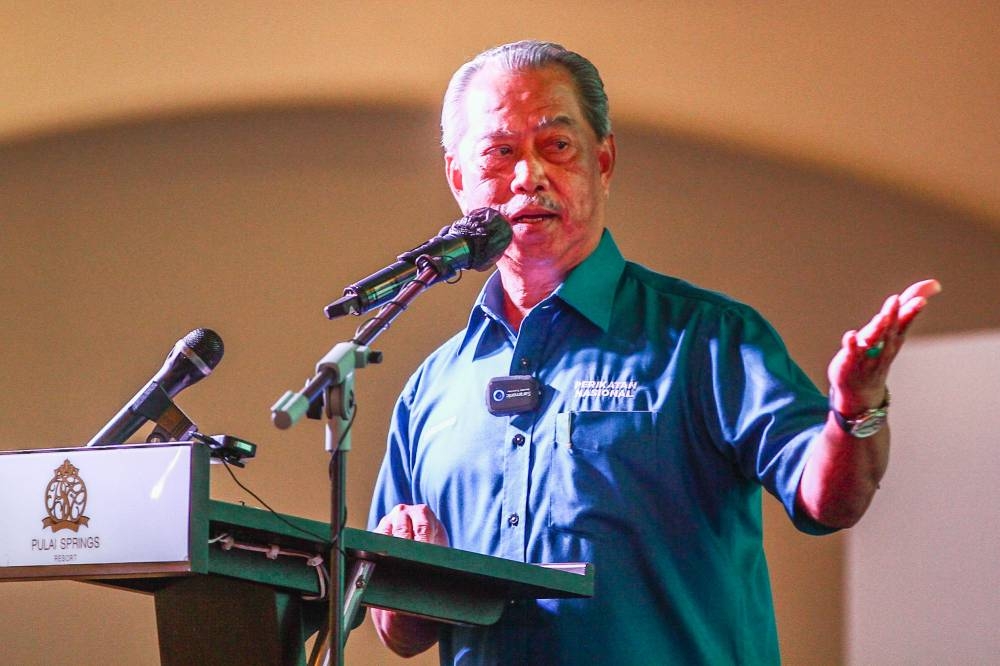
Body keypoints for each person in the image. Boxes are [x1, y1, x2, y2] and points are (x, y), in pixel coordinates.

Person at [367, 40, 941, 664]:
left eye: (556, 146)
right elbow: (400, 631)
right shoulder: (434, 386)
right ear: (458, 178)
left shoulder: (707, 337)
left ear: (603, 161)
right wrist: (409, 581)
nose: (528, 175)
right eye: (500, 153)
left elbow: (829, 499)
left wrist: (856, 411)